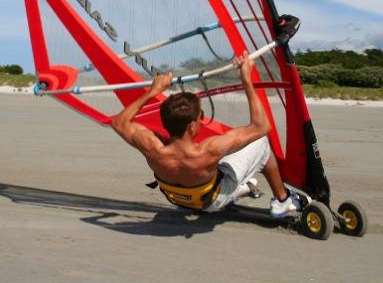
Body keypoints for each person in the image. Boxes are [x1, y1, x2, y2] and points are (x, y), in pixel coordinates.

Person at [111, 51, 301, 218]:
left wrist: (152, 92)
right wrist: (246, 80)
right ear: (192, 126)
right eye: (200, 116)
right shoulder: (209, 149)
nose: (202, 119)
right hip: (211, 201)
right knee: (260, 142)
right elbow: (261, 126)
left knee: (228, 154)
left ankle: (243, 187)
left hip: (178, 200)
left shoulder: (152, 147)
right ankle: (282, 200)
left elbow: (119, 122)